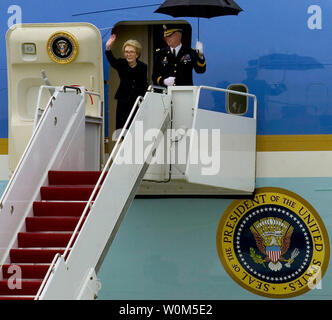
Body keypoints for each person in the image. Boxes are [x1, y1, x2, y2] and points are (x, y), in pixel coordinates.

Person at [105, 34, 148, 133]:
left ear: (137, 54)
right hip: (123, 101)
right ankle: (121, 144)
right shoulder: (121, 63)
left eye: (131, 52)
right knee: (122, 127)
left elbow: (144, 84)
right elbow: (112, 60)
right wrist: (108, 47)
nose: (128, 54)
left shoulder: (143, 67)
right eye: (126, 52)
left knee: (136, 127)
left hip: (137, 102)